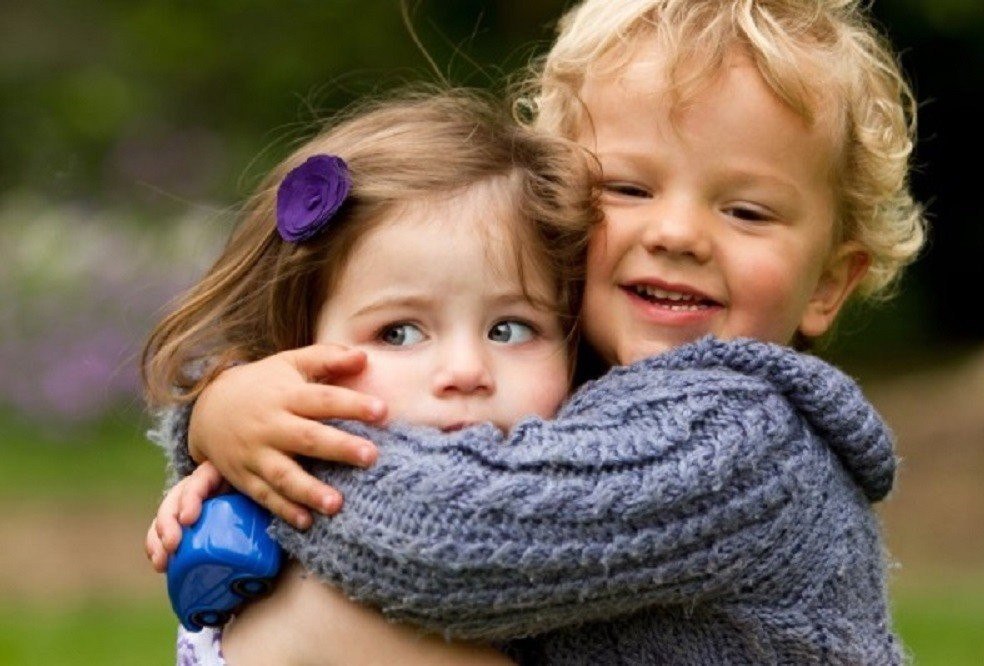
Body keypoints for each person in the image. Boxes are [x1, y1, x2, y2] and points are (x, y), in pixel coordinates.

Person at [148, 0, 927, 663]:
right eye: (629, 188)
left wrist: (268, 448)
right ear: (554, 209)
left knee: (334, 615)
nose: (679, 234)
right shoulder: (559, 376)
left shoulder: (744, 441)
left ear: (829, 284)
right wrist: (220, 414)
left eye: (747, 211)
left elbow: (450, 540)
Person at [143, 88, 600, 664]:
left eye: (509, 329)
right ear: (294, 346)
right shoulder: (291, 515)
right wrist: (220, 413)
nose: (466, 372)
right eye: (399, 333)